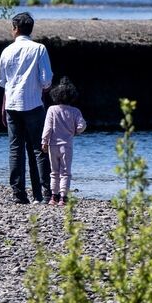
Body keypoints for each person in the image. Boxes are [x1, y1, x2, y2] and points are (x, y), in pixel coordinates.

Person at [0, 12, 53, 204]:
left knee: (15, 149)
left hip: (12, 105)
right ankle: (45, 193)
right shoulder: (39, 49)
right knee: (39, 149)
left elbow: (2, 81)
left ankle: (19, 194)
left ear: (16, 29)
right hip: (33, 104)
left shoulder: (6, 51)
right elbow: (46, 81)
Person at [41, 77, 86, 207]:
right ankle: (63, 198)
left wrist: (44, 141)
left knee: (54, 172)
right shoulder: (75, 111)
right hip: (67, 146)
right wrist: (75, 131)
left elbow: (48, 127)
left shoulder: (52, 109)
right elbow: (82, 126)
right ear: (72, 96)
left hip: (53, 145)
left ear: (55, 95)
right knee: (65, 172)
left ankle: (53, 197)